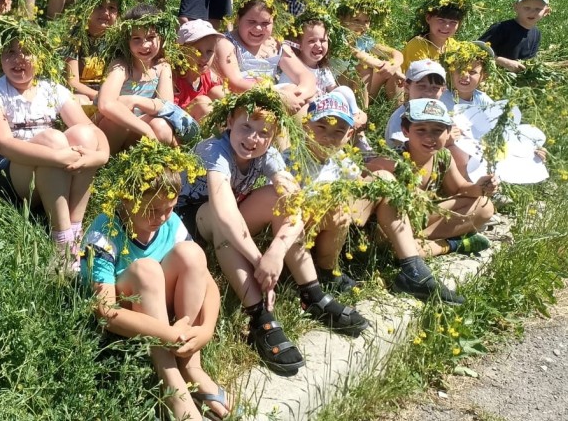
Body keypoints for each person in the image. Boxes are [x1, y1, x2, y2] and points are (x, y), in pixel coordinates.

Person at [176, 88, 369, 375]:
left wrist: (276, 253)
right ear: (229, 122)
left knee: (280, 198)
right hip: (191, 220)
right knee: (221, 220)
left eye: (264, 133)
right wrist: (259, 261)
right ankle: (259, 315)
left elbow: (296, 203)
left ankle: (312, 294)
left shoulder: (269, 154)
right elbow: (225, 213)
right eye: (246, 127)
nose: (253, 139)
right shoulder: (213, 150)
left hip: (231, 211)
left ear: (274, 134)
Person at [82, 143, 231, 421]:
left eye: (170, 208)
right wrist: (169, 335)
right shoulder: (104, 233)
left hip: (171, 318)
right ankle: (170, 381)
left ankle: (192, 365)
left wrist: (206, 329)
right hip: (131, 311)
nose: (162, 217)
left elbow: (207, 281)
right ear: (127, 199)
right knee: (147, 269)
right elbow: (105, 311)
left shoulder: (170, 223)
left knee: (192, 253)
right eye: (152, 210)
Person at [298, 88, 465, 303]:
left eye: (338, 131)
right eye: (321, 126)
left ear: (348, 135)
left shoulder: (341, 159)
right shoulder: (293, 158)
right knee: (356, 195)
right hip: (308, 228)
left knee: (384, 179)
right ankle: (327, 273)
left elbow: (359, 185)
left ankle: (412, 268)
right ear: (305, 126)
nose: (328, 136)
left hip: (339, 223)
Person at [0, 19, 109, 270]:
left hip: (52, 169)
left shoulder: (52, 90)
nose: (18, 59)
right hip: (11, 172)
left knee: (83, 136)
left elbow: (91, 129)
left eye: (26, 51)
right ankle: (61, 243)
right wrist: (58, 156)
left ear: (40, 56)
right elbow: (4, 144)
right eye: (10, 52)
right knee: (54, 139)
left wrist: (101, 155)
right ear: (0, 58)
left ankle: (75, 230)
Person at [371, 99, 496, 258]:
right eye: (421, 130)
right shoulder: (393, 160)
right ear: (405, 131)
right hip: (397, 223)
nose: (429, 137)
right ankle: (448, 244)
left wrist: (480, 187)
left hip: (425, 218)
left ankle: (419, 243)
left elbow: (458, 188)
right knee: (394, 248)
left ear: (448, 132)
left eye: (437, 130)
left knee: (485, 206)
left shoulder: (443, 156)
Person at [97, 5, 182, 152]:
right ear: (127, 41)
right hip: (114, 130)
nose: (144, 45)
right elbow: (105, 104)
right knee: (119, 114)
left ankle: (151, 161)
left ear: (161, 37)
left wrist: (134, 100)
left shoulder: (162, 67)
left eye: (151, 37)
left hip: (138, 130)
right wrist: (146, 129)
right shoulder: (122, 66)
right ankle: (107, 160)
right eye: (136, 38)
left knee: (161, 126)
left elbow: (166, 107)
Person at [212, 0, 316, 114]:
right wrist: (278, 96)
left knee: (305, 98)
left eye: (265, 23)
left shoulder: (275, 45)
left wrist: (297, 96)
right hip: (242, 100)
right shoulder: (226, 43)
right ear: (238, 19)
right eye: (251, 21)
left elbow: (306, 77)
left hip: (273, 99)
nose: (258, 28)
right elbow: (234, 83)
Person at [62, 0, 128, 110]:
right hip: (82, 93)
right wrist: (99, 96)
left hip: (109, 93)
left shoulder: (118, 41)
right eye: (99, 6)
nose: (106, 13)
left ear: (118, 14)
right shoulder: (75, 37)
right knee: (80, 101)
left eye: (112, 8)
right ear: (88, 8)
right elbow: (72, 82)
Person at [336, 0, 404, 104]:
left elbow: (394, 53)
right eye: (356, 20)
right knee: (363, 66)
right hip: (337, 89)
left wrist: (394, 66)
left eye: (366, 21)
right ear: (342, 20)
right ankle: (362, 111)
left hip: (360, 89)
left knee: (394, 66)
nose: (362, 26)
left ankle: (400, 111)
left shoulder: (364, 39)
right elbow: (359, 55)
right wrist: (390, 69)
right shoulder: (337, 37)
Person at [479, 0, 551, 73]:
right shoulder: (502, 28)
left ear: (546, 12)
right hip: (491, 75)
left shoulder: (536, 33)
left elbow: (529, 60)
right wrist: (502, 62)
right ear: (516, 7)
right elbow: (476, 51)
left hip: (515, 79)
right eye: (527, 8)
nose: (532, 13)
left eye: (538, 9)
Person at [173, 20, 226, 123]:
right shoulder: (174, 79)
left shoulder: (210, 77)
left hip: (204, 122)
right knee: (202, 103)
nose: (204, 58)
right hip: (179, 126)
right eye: (197, 52)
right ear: (182, 51)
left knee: (220, 92)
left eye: (209, 51)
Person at [401, 0, 468, 70]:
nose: (446, 26)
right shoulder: (417, 45)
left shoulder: (455, 47)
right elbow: (424, 76)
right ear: (428, 18)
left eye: (453, 22)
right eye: (441, 20)